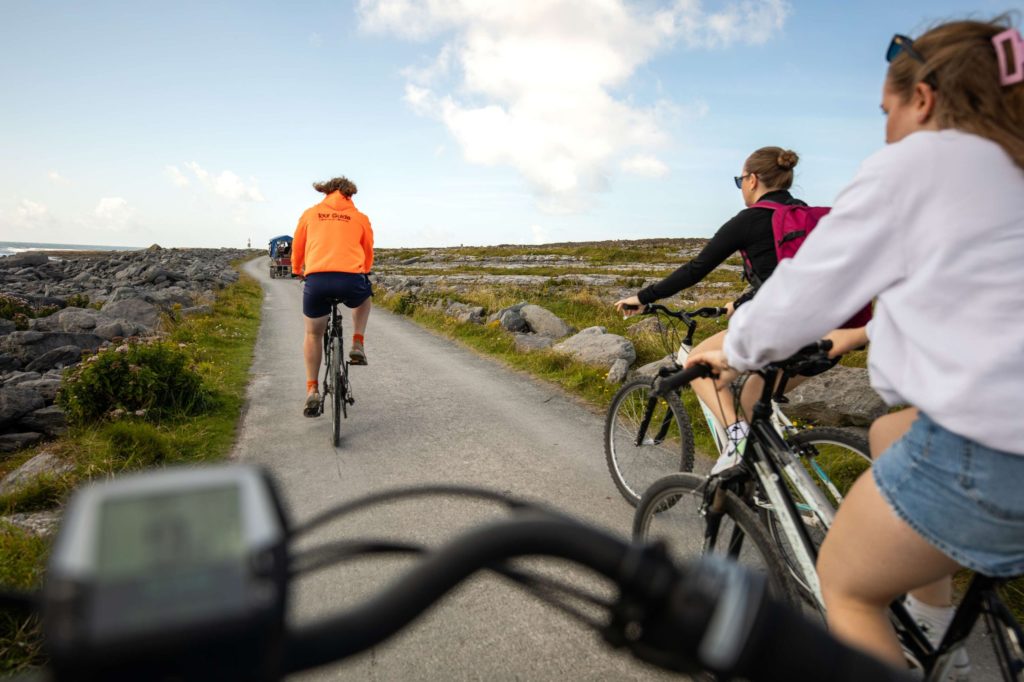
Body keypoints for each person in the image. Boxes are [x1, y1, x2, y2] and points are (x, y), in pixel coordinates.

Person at [686, 17, 1024, 669]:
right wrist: (864, 332)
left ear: (922, 99)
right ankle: (932, 633)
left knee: (844, 584)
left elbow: (806, 287)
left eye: (886, 111)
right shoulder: (1007, 166)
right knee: (890, 432)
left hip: (992, 454)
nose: (886, 130)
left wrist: (730, 347)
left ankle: (904, 645)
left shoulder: (925, 159)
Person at [615, 147, 846, 474]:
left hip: (783, 331)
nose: (741, 187)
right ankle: (766, 489)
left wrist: (642, 297)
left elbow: (695, 269)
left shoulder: (749, 220)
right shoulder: (809, 219)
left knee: (698, 362)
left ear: (752, 180)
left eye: (740, 180)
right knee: (749, 406)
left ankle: (736, 449)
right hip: (832, 335)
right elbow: (787, 278)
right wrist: (740, 303)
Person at [292, 176, 375, 417]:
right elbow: (367, 248)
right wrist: (365, 269)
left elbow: (298, 245)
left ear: (326, 193)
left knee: (313, 333)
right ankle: (357, 342)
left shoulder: (310, 214)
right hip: (350, 280)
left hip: (317, 280)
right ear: (350, 195)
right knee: (364, 297)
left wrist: (298, 270)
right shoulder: (360, 217)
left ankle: (312, 390)